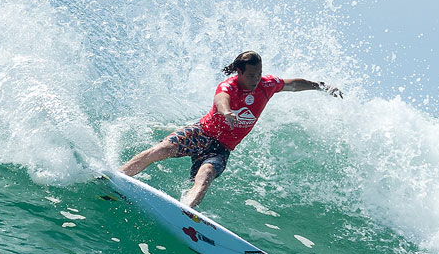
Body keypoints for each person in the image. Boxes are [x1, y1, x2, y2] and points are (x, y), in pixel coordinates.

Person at [120, 50, 343, 208]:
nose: (256, 79)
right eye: (251, 75)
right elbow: (221, 98)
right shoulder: (228, 86)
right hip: (201, 133)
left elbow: (293, 84)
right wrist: (226, 112)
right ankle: (118, 176)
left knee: (205, 176)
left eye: (258, 74)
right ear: (239, 72)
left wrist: (321, 87)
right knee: (160, 150)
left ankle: (185, 210)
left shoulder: (267, 84)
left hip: (221, 148)